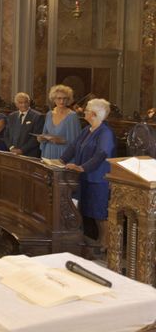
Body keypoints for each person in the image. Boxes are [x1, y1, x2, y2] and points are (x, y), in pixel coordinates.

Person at [59, 98, 116, 251]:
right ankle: (90, 238)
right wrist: (60, 160)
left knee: (100, 212)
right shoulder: (87, 129)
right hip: (83, 177)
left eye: (86, 110)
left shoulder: (105, 132)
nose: (84, 112)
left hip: (98, 178)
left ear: (94, 113)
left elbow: (102, 153)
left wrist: (83, 167)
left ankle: (106, 243)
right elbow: (73, 146)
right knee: (85, 209)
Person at [39, 84, 81, 159]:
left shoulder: (72, 116)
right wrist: (41, 138)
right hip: (48, 152)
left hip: (63, 153)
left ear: (69, 100)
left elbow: (76, 142)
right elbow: (44, 134)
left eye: (65, 98)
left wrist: (61, 141)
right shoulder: (49, 114)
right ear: (54, 99)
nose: (62, 101)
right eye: (59, 98)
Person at [4, 92, 44, 157]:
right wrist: (11, 148)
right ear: (16, 104)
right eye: (20, 103)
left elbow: (36, 138)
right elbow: (6, 135)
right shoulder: (11, 116)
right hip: (12, 153)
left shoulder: (38, 116)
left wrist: (22, 150)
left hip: (29, 154)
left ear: (29, 102)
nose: (24, 105)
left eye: (26, 102)